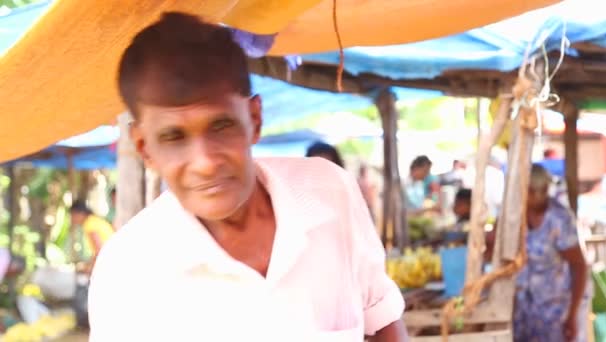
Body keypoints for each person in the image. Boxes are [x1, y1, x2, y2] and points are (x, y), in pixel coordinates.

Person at [88, 13, 407, 342]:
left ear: (254, 119)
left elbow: (382, 321)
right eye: (174, 137)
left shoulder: (329, 192)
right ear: (145, 148)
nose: (205, 163)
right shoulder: (127, 273)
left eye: (221, 126)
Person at [513, 164, 590, 342]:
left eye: (542, 190)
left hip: (554, 310)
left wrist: (572, 314)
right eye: (532, 190)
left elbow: (579, 267)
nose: (537, 195)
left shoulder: (559, 218)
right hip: (522, 309)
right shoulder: (515, 215)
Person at [69, 200, 114, 269]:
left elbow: (100, 250)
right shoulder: (93, 220)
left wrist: (88, 268)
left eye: (72, 215)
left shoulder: (90, 224)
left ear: (79, 213)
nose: (72, 219)